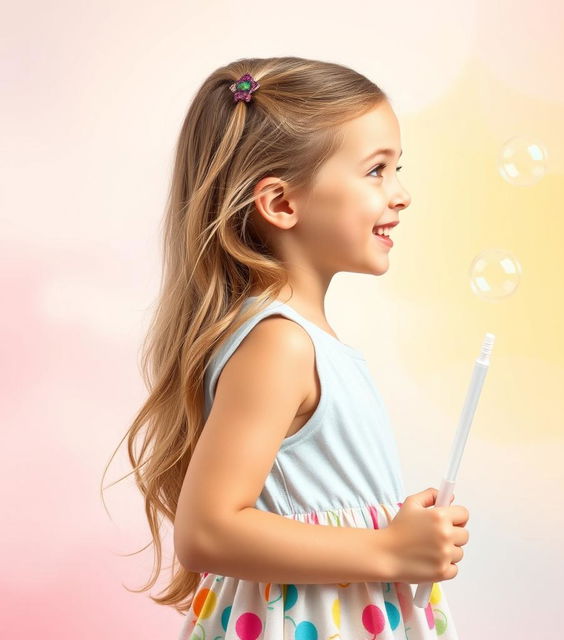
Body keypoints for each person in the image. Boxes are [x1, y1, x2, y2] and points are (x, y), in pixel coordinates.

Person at [107, 56, 470, 639]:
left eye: (397, 168)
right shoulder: (279, 344)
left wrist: (396, 531)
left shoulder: (300, 340)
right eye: (376, 171)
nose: (401, 194)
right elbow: (208, 532)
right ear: (280, 204)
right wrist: (387, 551)